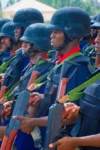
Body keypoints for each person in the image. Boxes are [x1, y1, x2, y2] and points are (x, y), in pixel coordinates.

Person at [13, 7, 92, 149]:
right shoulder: (61, 63)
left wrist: (33, 122)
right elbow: (56, 99)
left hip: (62, 140)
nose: (51, 36)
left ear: (71, 35)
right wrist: (40, 97)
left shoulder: (77, 67)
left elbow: (67, 115)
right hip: (49, 135)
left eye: (56, 32)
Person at [49, 13, 100, 150]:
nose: (96, 40)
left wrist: (75, 142)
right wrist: (75, 113)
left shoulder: (79, 67)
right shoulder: (97, 75)